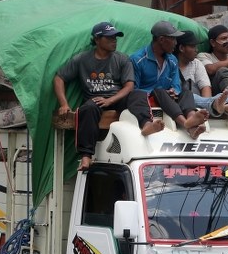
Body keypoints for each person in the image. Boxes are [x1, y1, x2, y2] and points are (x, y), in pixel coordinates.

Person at [54, 21, 164, 171]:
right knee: (87, 109)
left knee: (138, 94)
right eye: (109, 38)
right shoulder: (82, 59)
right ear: (97, 39)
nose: (114, 41)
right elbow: (59, 78)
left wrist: (110, 100)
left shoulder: (122, 58)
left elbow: (129, 85)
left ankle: (146, 125)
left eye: (115, 37)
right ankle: (86, 157)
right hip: (95, 100)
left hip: (117, 98)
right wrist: (64, 104)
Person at [130, 21, 209, 139]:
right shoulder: (137, 59)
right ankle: (185, 123)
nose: (176, 43)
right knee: (159, 91)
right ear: (161, 39)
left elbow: (176, 84)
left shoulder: (172, 60)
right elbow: (134, 88)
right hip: (147, 99)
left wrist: (174, 91)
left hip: (168, 99)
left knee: (186, 92)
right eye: (173, 39)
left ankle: (192, 121)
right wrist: (157, 92)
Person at [175, 31, 228, 116]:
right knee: (188, 95)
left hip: (221, 99)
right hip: (183, 102)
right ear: (182, 48)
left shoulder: (196, 63)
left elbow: (205, 87)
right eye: (193, 47)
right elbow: (210, 69)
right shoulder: (172, 62)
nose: (196, 50)